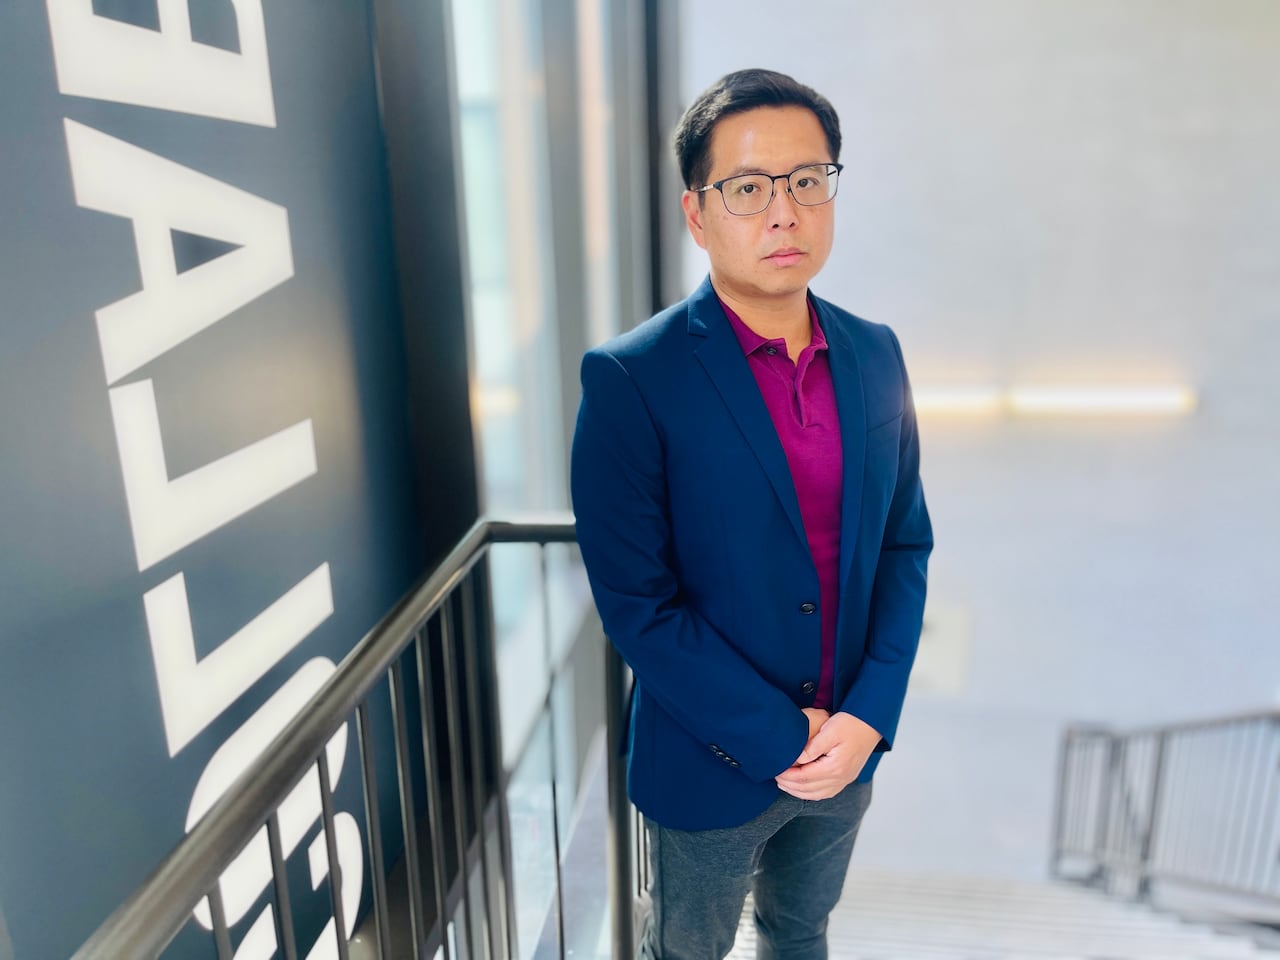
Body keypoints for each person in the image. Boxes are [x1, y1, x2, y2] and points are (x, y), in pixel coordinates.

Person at [570, 68, 932, 960]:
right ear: (698, 214)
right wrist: (780, 735)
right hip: (710, 758)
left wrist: (869, 716)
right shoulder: (630, 379)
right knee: (684, 950)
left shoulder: (875, 353)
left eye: (809, 181)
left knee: (801, 931)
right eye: (748, 188)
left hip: (847, 750)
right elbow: (637, 605)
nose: (785, 212)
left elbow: (904, 543)